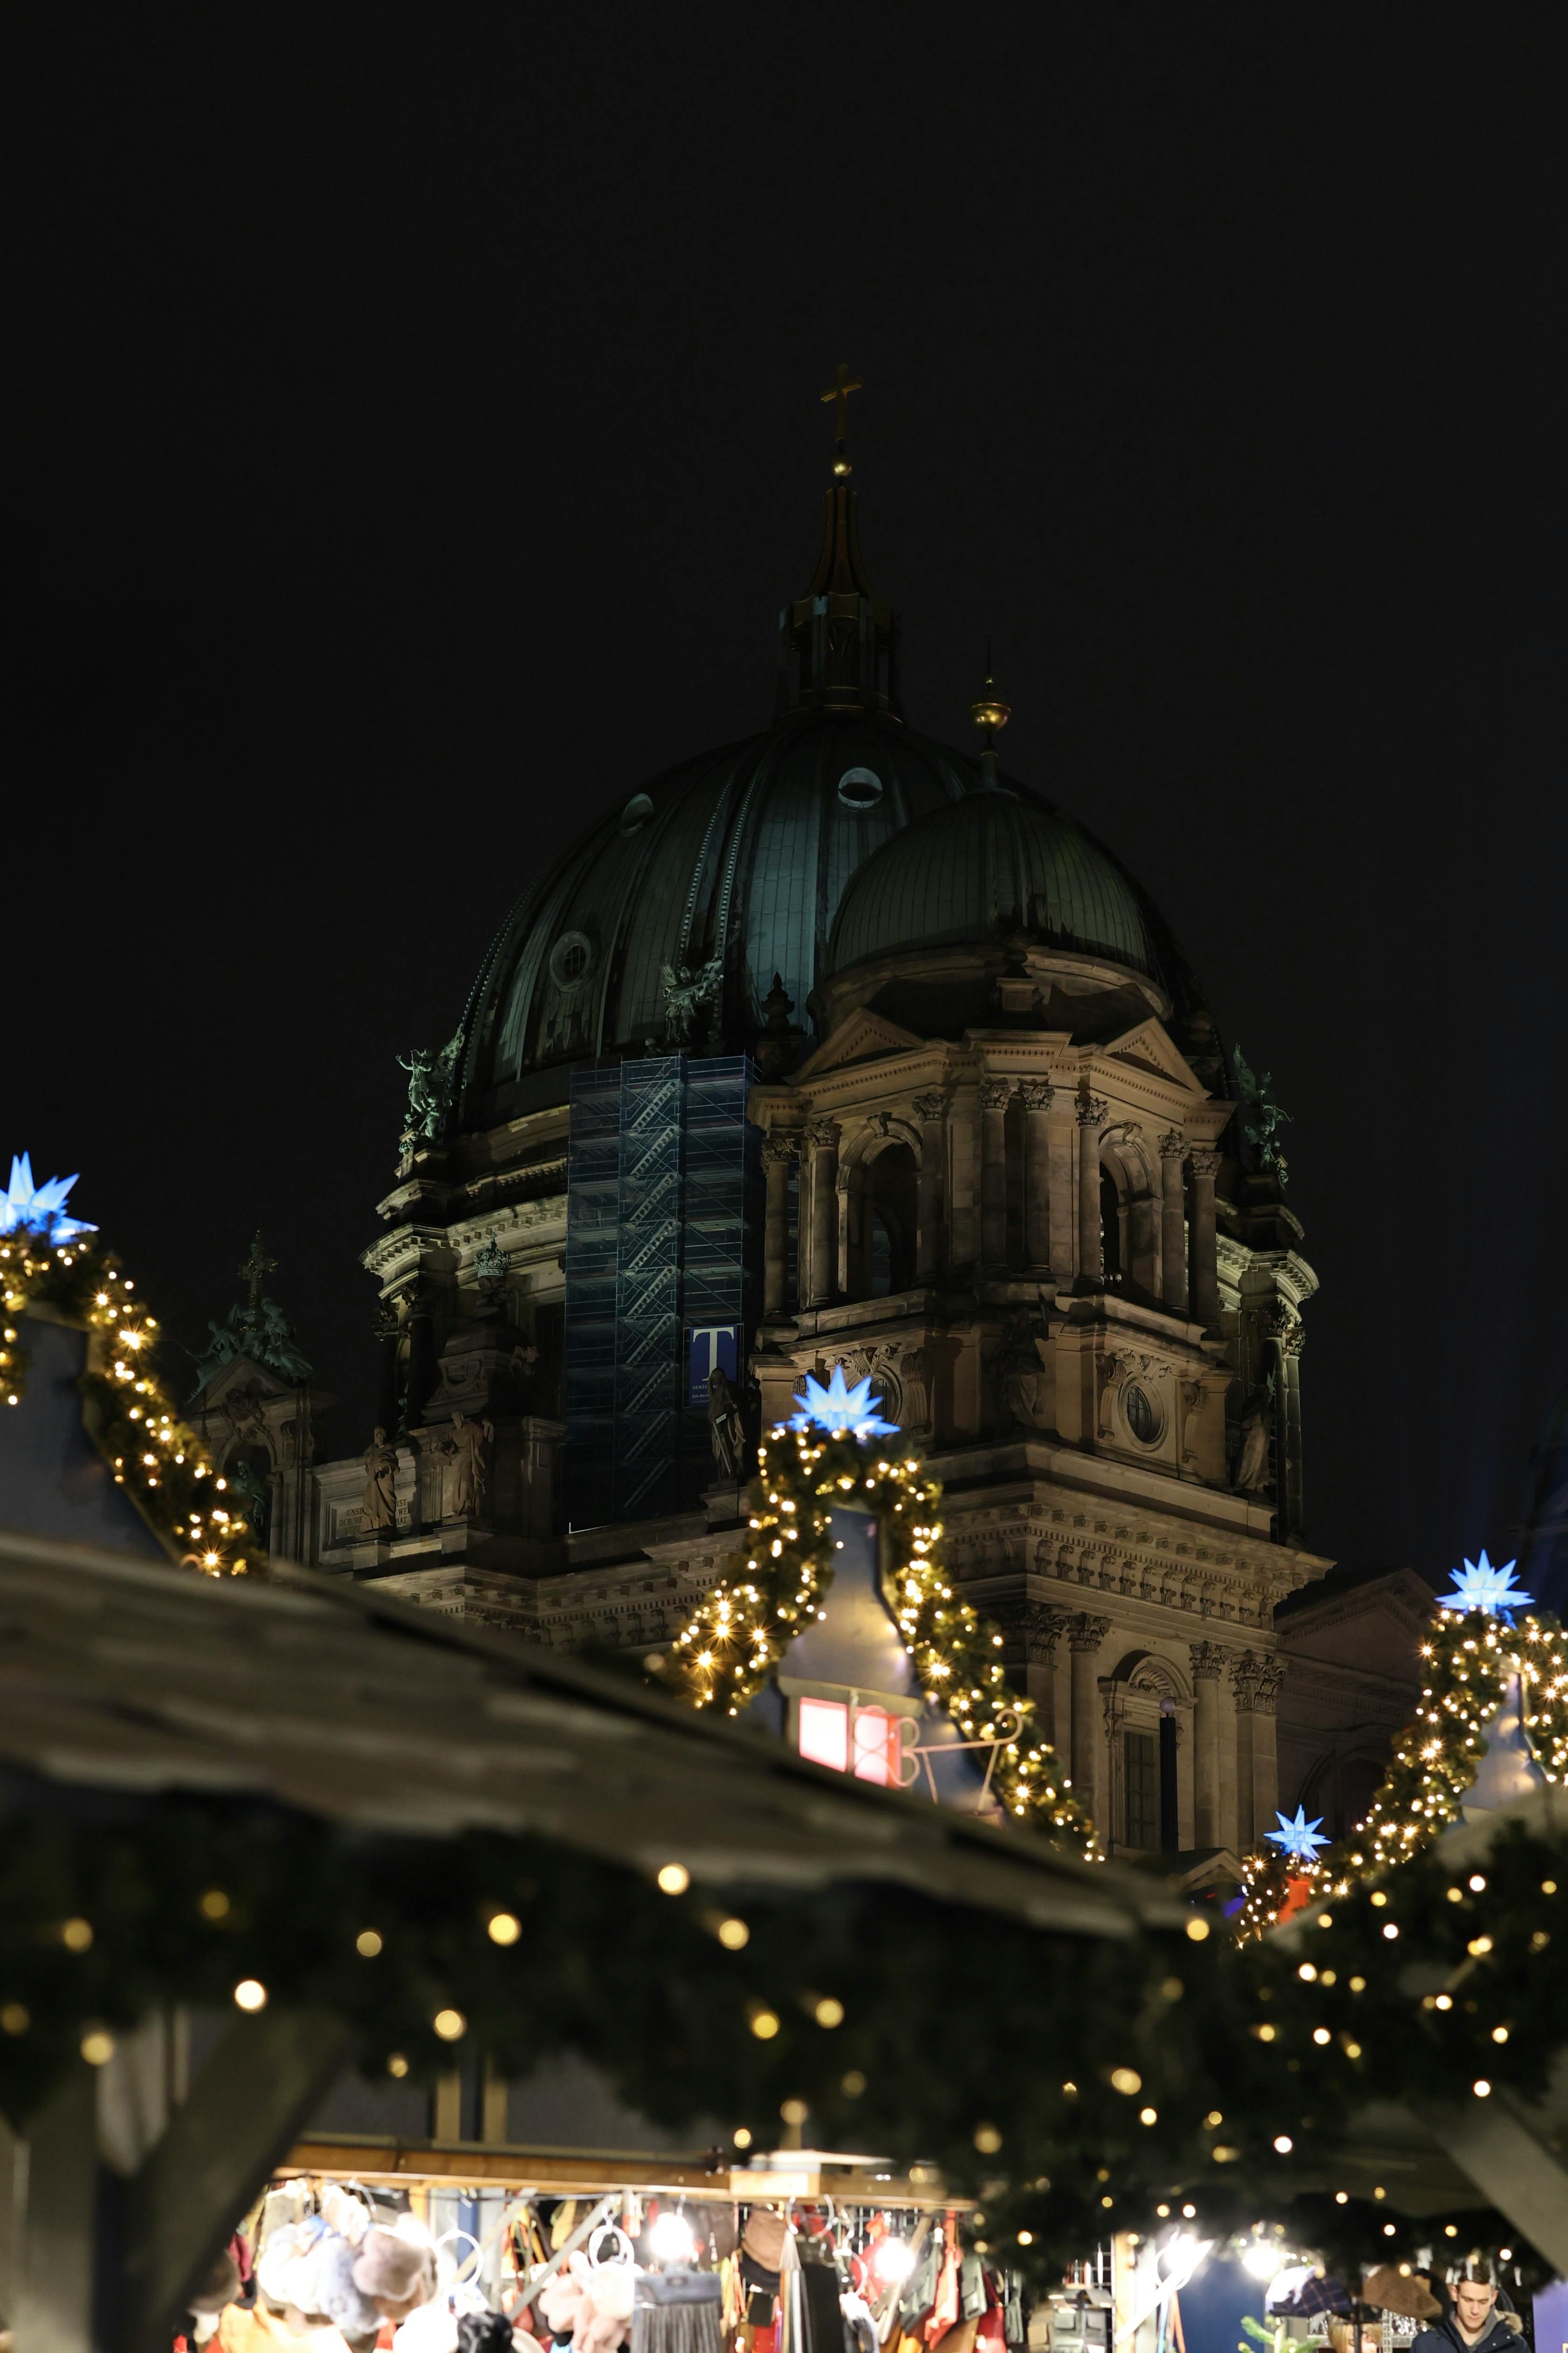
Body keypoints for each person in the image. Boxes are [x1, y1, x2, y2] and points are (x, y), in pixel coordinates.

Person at [1411, 2272, 1521, 2353]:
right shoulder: (1426, 2345)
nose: (1475, 2311)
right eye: (1468, 2300)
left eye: (1483, 2302)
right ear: (1455, 2293)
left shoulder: (1516, 2346)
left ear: (1494, 2298)